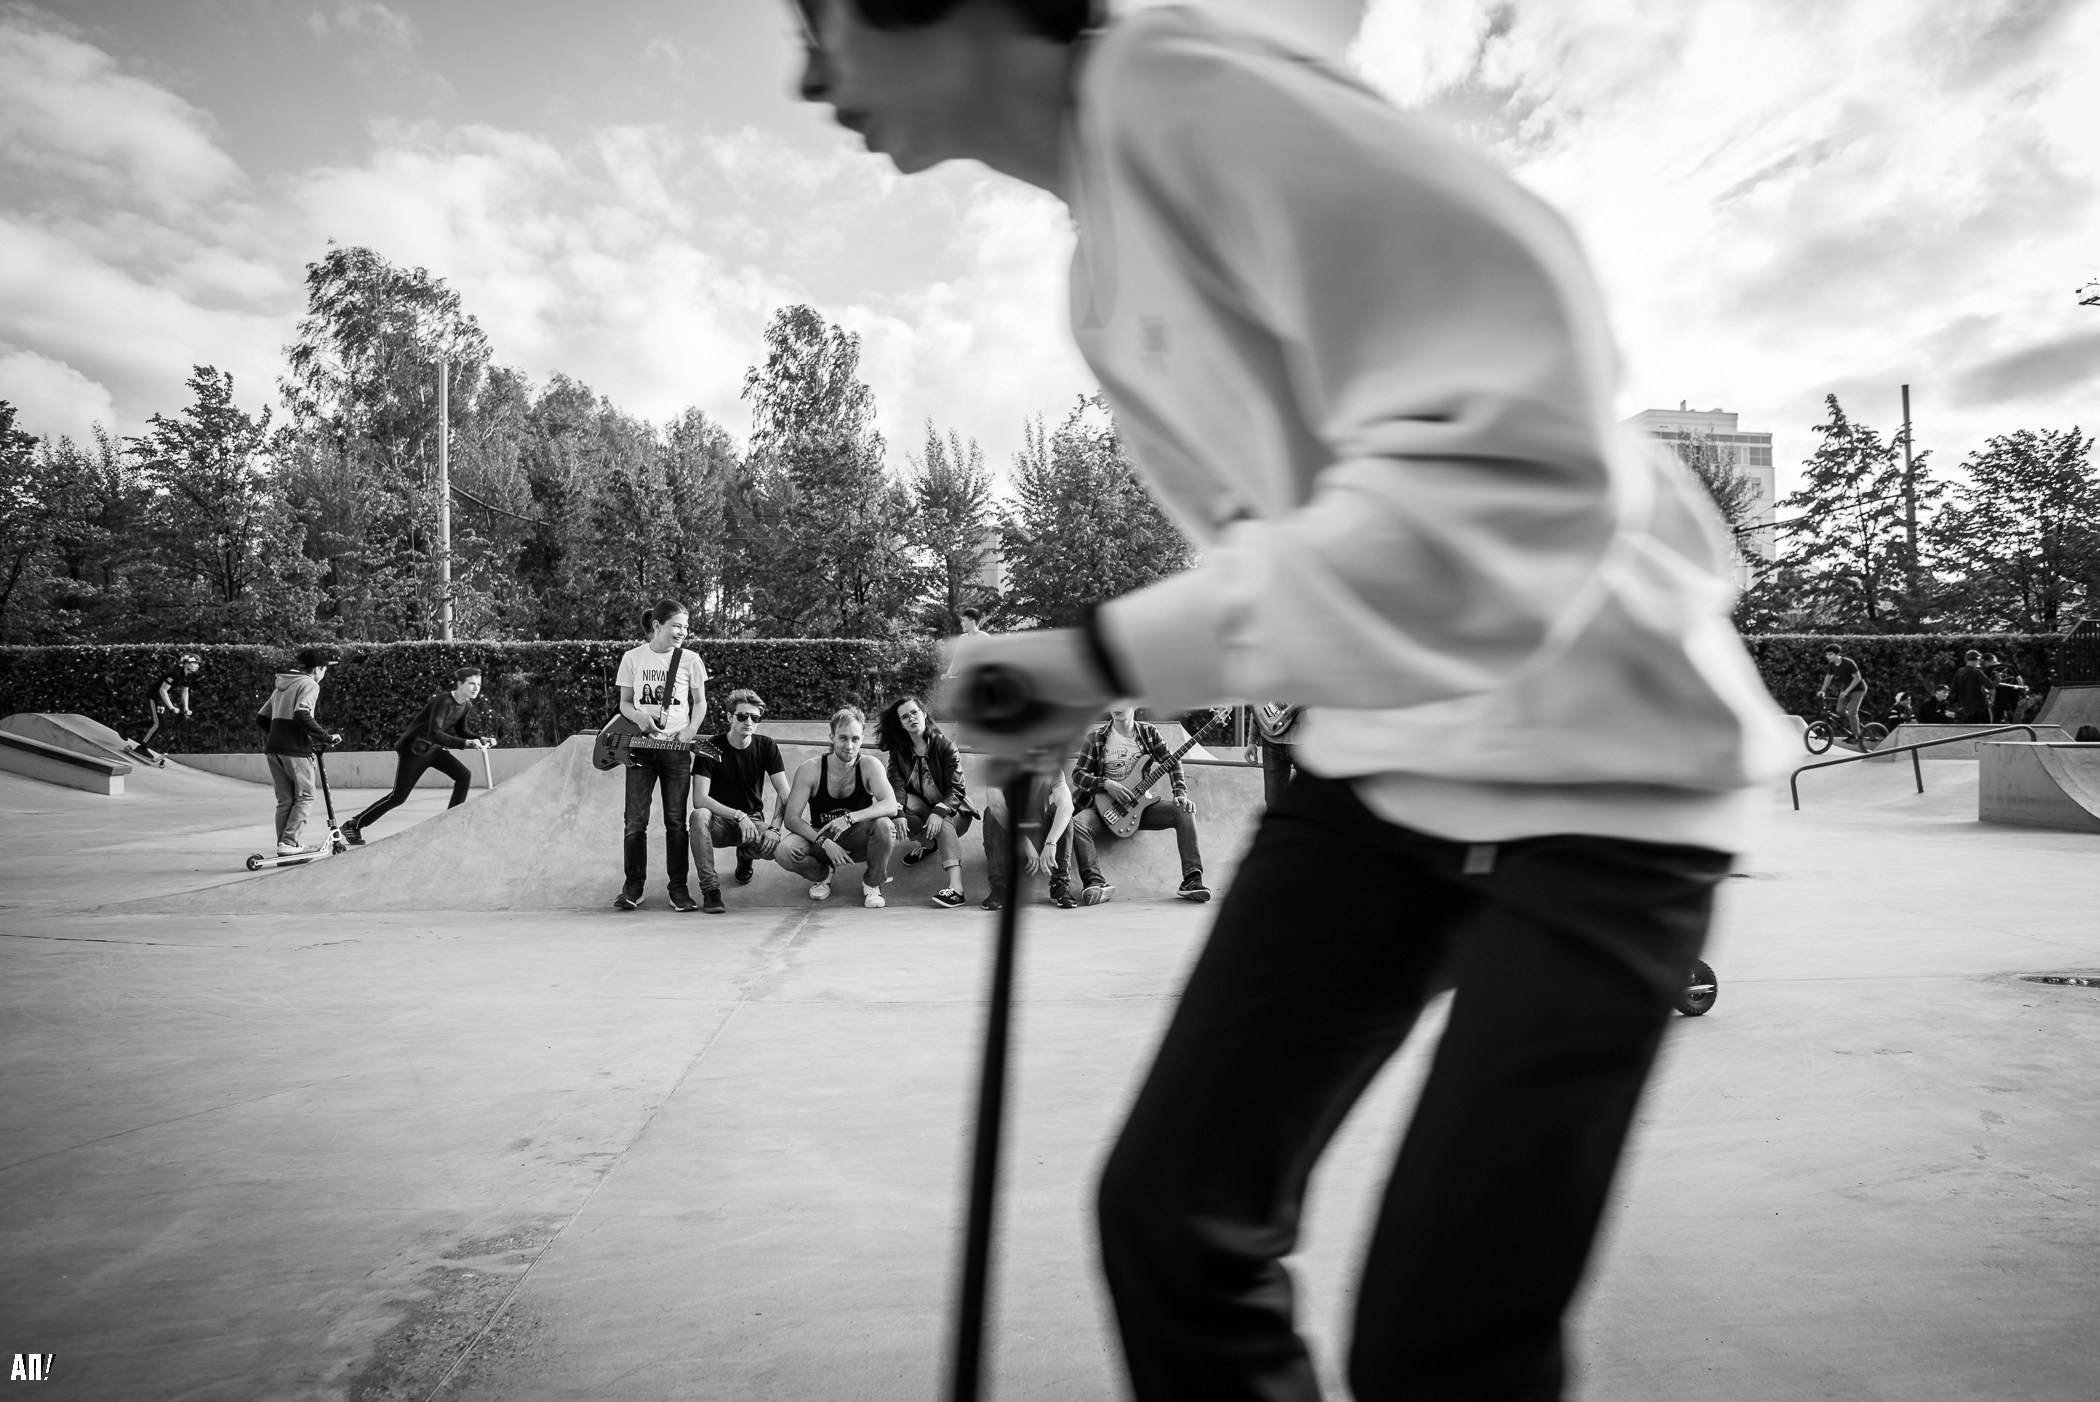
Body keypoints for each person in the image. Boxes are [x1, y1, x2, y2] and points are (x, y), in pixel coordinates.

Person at [794, 2, 1791, 1396]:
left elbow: (1508, 461)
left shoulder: (1204, 99)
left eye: (819, 19)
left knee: (1443, 1345)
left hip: (1604, 764)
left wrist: (1096, 654)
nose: (807, 70)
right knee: (1173, 1220)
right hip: (1384, 760)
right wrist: (1096, 678)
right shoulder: (1105, 253)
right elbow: (1301, 553)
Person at [613, 599, 709, 912]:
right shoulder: (633, 657)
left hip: (677, 752)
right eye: (677, 625)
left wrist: (691, 730)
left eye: (685, 626)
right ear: (657, 625)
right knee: (634, 821)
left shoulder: (690, 660)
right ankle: (633, 886)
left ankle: (678, 888)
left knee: (676, 822)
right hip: (640, 749)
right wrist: (638, 717)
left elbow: (700, 702)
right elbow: (625, 703)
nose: (683, 631)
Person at [1068, 704, 1208, 904]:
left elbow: (1173, 761)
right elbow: (1078, 775)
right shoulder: (1096, 737)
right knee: (1078, 823)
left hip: (1140, 809)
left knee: (1184, 811)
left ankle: (1192, 880)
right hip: (1101, 809)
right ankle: (1095, 882)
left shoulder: (1148, 733)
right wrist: (1106, 784)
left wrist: (1180, 793)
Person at [341, 666, 493, 847]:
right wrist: (465, 743)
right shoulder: (442, 701)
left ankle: (450, 820)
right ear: (460, 684)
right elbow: (435, 732)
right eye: (471, 684)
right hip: (414, 750)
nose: (476, 688)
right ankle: (353, 824)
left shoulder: (466, 704)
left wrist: (479, 738)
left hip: (433, 749)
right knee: (398, 797)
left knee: (463, 775)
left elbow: (461, 730)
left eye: (478, 684)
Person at [775, 705, 901, 907]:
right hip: (820, 837)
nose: (849, 745)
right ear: (832, 737)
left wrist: (849, 819)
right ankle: (823, 873)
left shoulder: (869, 765)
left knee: (885, 825)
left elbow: (891, 805)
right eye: (843, 738)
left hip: (858, 838)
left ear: (861, 739)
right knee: (784, 851)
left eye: (855, 739)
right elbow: (791, 819)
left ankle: (872, 884)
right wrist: (824, 842)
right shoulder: (811, 769)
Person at [688, 688, 791, 914]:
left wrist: (774, 828)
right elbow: (699, 799)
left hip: (753, 822)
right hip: (720, 822)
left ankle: (746, 854)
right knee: (698, 815)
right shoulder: (709, 747)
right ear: (729, 717)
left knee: (779, 848)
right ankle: (711, 890)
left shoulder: (766, 746)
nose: (749, 722)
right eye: (742, 716)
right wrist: (738, 814)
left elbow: (785, 792)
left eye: (755, 718)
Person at [878, 694, 973, 908]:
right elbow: (895, 785)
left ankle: (957, 890)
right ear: (901, 724)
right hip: (922, 810)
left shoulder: (944, 746)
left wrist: (939, 812)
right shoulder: (899, 751)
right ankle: (929, 845)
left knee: (943, 821)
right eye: (905, 717)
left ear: (924, 713)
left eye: (914, 712)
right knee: (896, 811)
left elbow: (957, 789)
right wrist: (899, 813)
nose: (911, 718)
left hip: (954, 813)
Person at [254, 645, 343, 859]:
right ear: (316, 669)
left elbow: (261, 717)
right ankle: (289, 841)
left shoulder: (282, 685)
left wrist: (280, 734)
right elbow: (302, 714)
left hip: (274, 748)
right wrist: (325, 737)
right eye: (324, 669)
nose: (325, 673)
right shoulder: (309, 684)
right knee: (305, 796)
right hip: (294, 750)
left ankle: (284, 846)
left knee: (285, 800)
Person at [980, 766, 1077, 911]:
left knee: (1061, 811)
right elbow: (996, 806)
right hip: (1012, 841)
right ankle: (999, 886)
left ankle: (1060, 884)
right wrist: (1025, 843)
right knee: (991, 812)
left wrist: (1051, 842)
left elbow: (1067, 805)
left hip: (1042, 844)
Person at [133, 652, 202, 763]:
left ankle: (125, 727)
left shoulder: (188, 675)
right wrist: (171, 707)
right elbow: (162, 690)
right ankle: (141, 748)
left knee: (160, 723)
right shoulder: (175, 673)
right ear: (187, 664)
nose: (198, 666)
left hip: (160, 698)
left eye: (199, 664)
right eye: (195, 663)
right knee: (158, 723)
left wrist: (186, 708)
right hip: (154, 696)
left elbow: (185, 693)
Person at [1247, 702, 1303, 808]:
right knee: (1273, 800)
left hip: (1304, 741)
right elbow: (1259, 706)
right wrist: (1252, 741)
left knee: (1313, 797)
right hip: (1271, 743)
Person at [1816, 646, 1867, 747]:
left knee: (1852, 711)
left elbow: (1857, 678)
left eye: (1830, 654)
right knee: (1839, 711)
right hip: (1846, 689)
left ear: (1837, 654)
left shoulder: (1848, 663)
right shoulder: (1831, 664)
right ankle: (1855, 723)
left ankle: (1856, 735)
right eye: (1827, 654)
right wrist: (1822, 691)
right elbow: (1829, 676)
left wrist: (1847, 691)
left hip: (1858, 689)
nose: (1828, 657)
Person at [1952, 650, 1994, 723]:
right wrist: (1998, 679)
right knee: (1987, 728)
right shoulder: (1976, 672)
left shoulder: (1959, 672)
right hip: (1981, 706)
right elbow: (1990, 685)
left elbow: (1953, 689)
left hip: (1967, 707)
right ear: (1977, 660)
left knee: (1972, 730)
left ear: (1966, 660)